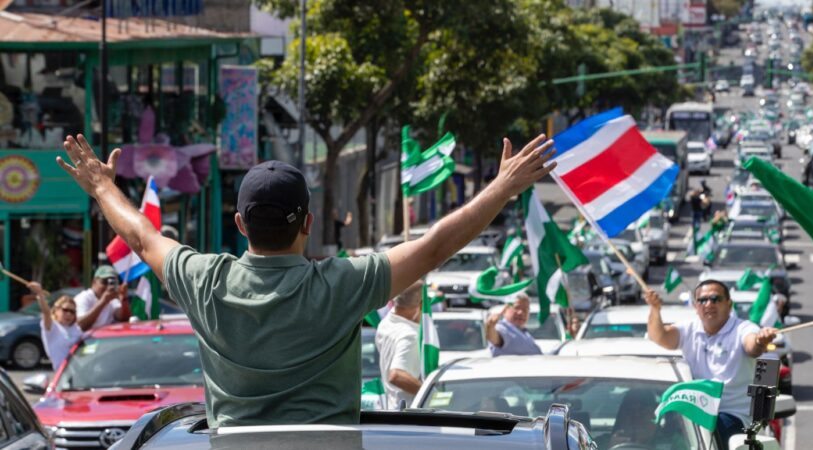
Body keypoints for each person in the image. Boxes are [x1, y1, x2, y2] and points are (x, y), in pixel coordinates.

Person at [56, 132, 555, 427]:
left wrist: (101, 184)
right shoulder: (341, 284)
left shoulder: (204, 279)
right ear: (309, 223)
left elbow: (142, 239)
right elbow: (435, 246)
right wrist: (502, 187)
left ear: (240, 224)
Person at [645, 281, 777, 448]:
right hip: (693, 411)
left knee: (711, 436)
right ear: (695, 306)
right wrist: (655, 310)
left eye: (716, 299)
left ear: (729, 304)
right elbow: (660, 337)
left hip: (731, 416)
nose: (709, 304)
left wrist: (760, 339)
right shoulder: (689, 328)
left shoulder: (743, 328)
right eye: (703, 300)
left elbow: (752, 345)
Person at [375, 281, 423, 410]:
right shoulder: (410, 335)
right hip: (410, 412)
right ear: (421, 305)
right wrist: (429, 393)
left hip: (392, 407)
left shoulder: (385, 324)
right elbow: (396, 375)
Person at [26, 282, 82, 371]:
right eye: (65, 310)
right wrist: (40, 293)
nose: (68, 314)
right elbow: (46, 312)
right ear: (56, 310)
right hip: (63, 375)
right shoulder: (52, 328)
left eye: (72, 311)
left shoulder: (76, 329)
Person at [73, 265, 130, 331]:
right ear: (94, 282)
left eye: (112, 283)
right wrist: (103, 302)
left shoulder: (112, 299)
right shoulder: (83, 298)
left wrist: (124, 299)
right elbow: (80, 326)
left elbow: (123, 318)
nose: (108, 286)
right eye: (105, 282)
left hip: (105, 338)